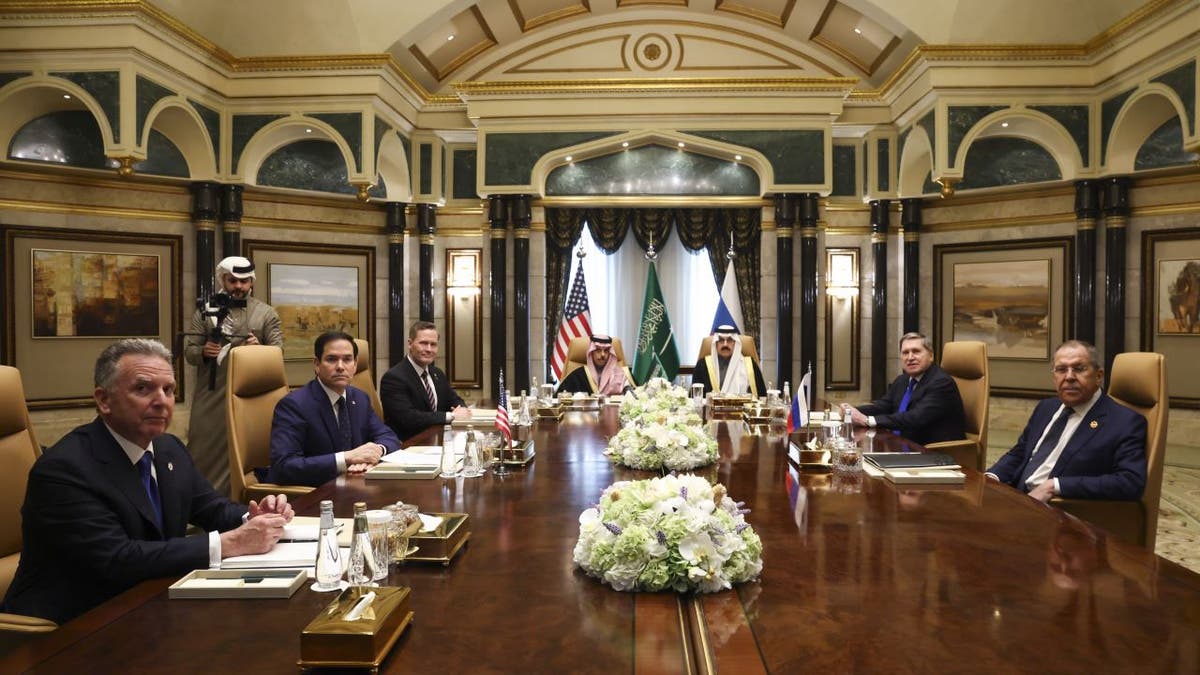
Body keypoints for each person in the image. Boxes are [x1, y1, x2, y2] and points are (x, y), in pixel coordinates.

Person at [3, 339, 293, 624]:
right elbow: (118, 559)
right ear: (104, 400)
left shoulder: (168, 448)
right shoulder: (64, 469)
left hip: (146, 604)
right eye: (143, 389)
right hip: (70, 628)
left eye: (168, 390)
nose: (161, 401)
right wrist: (229, 543)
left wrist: (253, 515)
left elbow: (211, 507)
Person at [986, 340, 1146, 503]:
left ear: (1098, 376)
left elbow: (1130, 482)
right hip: (1016, 499)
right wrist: (991, 477)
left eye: (1079, 369)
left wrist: (1054, 486)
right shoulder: (1046, 407)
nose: (1069, 377)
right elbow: (1021, 452)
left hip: (1060, 512)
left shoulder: (1124, 421)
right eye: (1061, 370)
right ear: (1054, 377)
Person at [183, 255, 282, 497]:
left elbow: (277, 354)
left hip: (252, 397)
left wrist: (260, 348)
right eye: (232, 280)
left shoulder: (266, 314)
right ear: (223, 280)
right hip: (212, 393)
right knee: (203, 448)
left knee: (248, 450)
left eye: (244, 281)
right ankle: (203, 506)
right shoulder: (204, 312)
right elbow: (189, 351)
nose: (238, 286)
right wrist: (204, 351)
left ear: (251, 282)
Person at [267, 331, 399, 487]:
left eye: (347, 359)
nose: (340, 367)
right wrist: (346, 458)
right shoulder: (294, 405)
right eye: (332, 359)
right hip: (316, 493)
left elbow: (388, 436)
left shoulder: (359, 398)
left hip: (355, 485)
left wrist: (375, 452)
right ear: (316, 364)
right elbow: (284, 466)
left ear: (355, 364)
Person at [842, 332, 965, 445]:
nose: (910, 357)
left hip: (931, 452)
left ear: (931, 356)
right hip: (900, 445)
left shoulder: (941, 383)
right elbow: (883, 406)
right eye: (905, 353)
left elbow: (915, 418)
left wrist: (867, 420)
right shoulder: (902, 380)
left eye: (916, 351)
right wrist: (851, 411)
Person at [380, 320, 471, 441]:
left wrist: (462, 410)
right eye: (423, 343)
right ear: (410, 343)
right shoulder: (394, 378)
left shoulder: (437, 373)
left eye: (433, 344)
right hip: (409, 446)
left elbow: (455, 400)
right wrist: (451, 416)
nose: (429, 349)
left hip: (439, 441)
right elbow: (408, 418)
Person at [691, 325, 766, 397]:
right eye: (721, 340)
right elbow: (695, 396)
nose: (725, 344)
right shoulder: (703, 365)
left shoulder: (749, 364)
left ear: (735, 343)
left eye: (729, 340)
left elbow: (762, 395)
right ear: (716, 343)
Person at [557, 334, 635, 395]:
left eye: (606, 351)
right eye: (598, 350)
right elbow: (559, 398)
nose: (603, 355)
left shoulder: (621, 375)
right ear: (591, 352)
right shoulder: (577, 376)